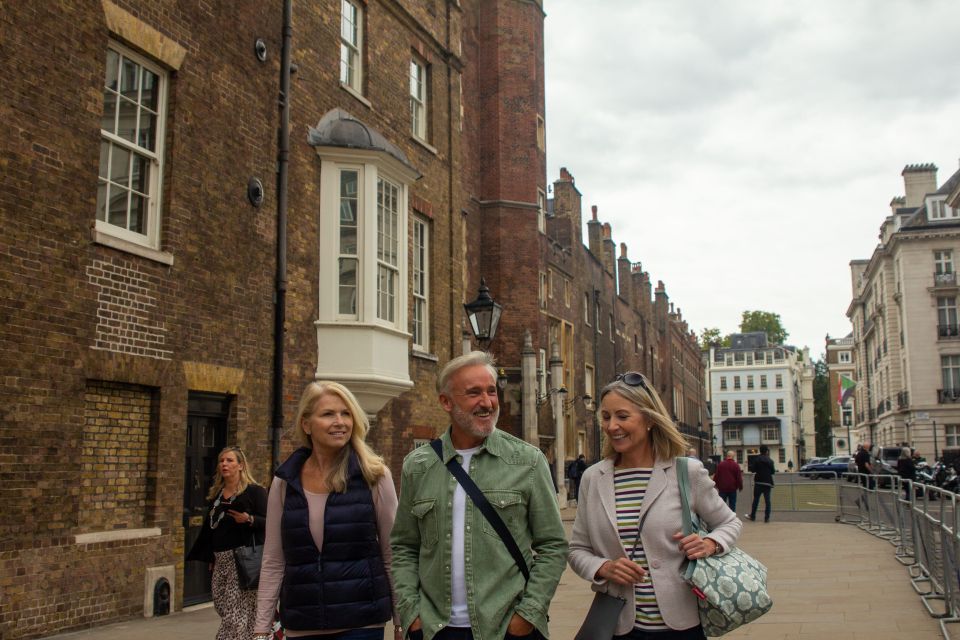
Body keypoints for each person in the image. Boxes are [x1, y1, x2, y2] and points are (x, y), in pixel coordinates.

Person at [391, 351, 568, 640]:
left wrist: (527, 615)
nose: (487, 402)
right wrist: (412, 614)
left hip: (505, 629)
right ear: (446, 402)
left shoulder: (527, 461)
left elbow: (553, 546)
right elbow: (404, 546)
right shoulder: (418, 466)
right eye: (474, 393)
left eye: (491, 391)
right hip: (437, 629)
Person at [568, 372, 741, 639]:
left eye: (622, 416)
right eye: (606, 417)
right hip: (618, 626)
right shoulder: (593, 478)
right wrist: (603, 568)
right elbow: (578, 549)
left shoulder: (687, 472)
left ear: (649, 419)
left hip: (681, 625)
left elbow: (729, 522)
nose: (612, 425)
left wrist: (710, 544)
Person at [252, 381, 400, 640]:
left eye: (346, 414)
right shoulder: (285, 482)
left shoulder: (374, 476)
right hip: (302, 623)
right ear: (306, 424)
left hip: (361, 624)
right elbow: (274, 560)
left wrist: (402, 621)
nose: (340, 421)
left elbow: (392, 554)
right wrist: (261, 629)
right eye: (328, 414)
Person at [186, 446, 268, 640]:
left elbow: (271, 521)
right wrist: (210, 556)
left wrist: (249, 519)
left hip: (242, 560)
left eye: (230, 460)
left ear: (240, 465)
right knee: (223, 606)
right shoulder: (217, 495)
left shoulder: (254, 492)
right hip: (220, 559)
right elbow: (210, 529)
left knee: (235, 612)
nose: (224, 464)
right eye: (222, 461)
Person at [746, 446, 775, 522]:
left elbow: (753, 470)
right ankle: (767, 517)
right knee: (767, 501)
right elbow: (773, 471)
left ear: (760, 451)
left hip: (758, 481)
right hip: (768, 482)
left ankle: (753, 516)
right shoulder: (770, 460)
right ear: (767, 451)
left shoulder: (757, 459)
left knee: (756, 499)